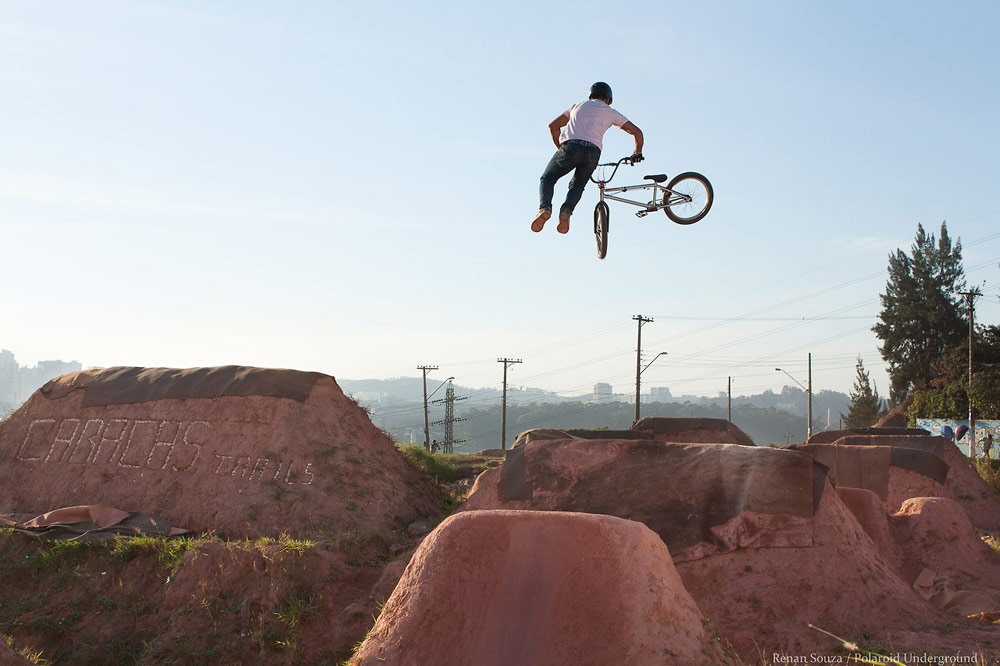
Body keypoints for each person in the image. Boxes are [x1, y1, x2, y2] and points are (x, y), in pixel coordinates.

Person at [532, 82, 644, 234]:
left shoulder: (577, 106)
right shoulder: (611, 112)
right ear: (608, 98)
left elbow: (553, 126)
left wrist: (562, 149)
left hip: (570, 147)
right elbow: (637, 132)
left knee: (548, 178)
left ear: (591, 95)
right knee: (577, 186)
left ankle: (544, 208)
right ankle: (566, 211)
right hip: (593, 152)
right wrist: (637, 152)